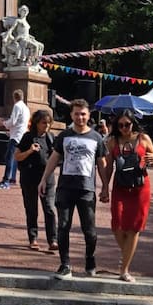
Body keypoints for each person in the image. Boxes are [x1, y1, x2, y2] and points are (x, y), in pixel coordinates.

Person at [39, 99, 107, 279]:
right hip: (65, 188)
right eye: (76, 114)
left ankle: (90, 259)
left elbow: (101, 164)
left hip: (86, 189)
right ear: (71, 115)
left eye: (83, 114)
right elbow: (54, 158)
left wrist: (106, 187)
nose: (80, 117)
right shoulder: (64, 136)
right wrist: (44, 179)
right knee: (63, 226)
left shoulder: (96, 138)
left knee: (89, 230)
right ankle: (65, 264)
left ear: (88, 115)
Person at [98, 109, 153, 282]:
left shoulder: (143, 138)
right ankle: (127, 253)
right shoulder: (112, 141)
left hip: (140, 188)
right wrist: (104, 187)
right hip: (120, 186)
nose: (124, 128)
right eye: (120, 125)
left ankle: (124, 269)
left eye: (127, 124)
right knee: (117, 225)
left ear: (133, 123)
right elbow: (108, 167)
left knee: (134, 227)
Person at [14, 109, 57, 251]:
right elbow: (17, 156)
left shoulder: (51, 138)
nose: (47, 126)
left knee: (49, 209)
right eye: (44, 123)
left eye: (49, 123)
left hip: (47, 179)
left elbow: (56, 158)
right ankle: (33, 238)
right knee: (31, 209)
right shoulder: (28, 137)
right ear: (37, 123)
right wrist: (30, 151)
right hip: (29, 178)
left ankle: (53, 240)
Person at [0, 90, 29, 190]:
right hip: (21, 134)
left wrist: (3, 123)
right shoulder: (26, 108)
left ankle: (6, 181)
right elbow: (20, 123)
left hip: (16, 136)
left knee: (9, 157)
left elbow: (13, 121)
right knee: (16, 158)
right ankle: (12, 178)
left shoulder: (17, 106)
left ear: (14, 97)